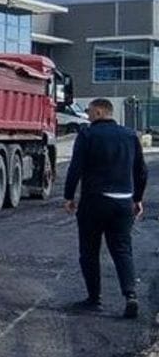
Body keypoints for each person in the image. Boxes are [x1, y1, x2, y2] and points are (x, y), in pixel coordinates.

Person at [64, 98, 147, 319]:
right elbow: (141, 170)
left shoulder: (87, 135)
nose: (88, 115)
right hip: (123, 202)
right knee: (122, 249)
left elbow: (75, 168)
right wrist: (137, 198)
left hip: (95, 201)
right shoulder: (130, 135)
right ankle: (130, 295)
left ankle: (94, 299)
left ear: (100, 112)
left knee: (89, 251)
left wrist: (69, 196)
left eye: (90, 111)